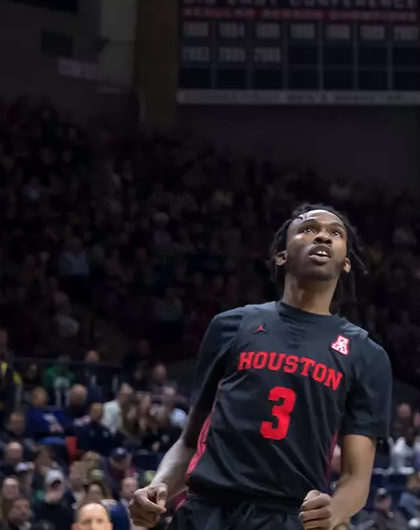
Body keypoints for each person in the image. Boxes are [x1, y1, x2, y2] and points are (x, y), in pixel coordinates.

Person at [128, 206, 392, 530]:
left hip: (288, 517)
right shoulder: (231, 326)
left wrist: (335, 511)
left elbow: (356, 478)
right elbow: (188, 442)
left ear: (346, 261)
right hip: (206, 510)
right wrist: (161, 486)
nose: (323, 235)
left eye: (336, 233)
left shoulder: (366, 353)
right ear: (281, 256)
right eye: (308, 229)